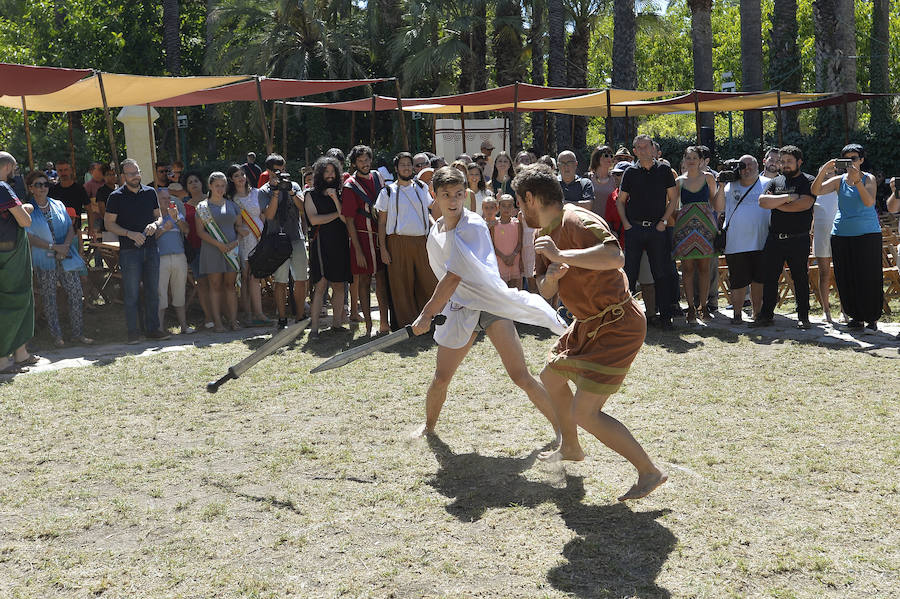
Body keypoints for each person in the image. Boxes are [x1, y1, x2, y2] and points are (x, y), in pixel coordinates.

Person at [516, 163, 667, 502]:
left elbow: (615, 257)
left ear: (529, 198)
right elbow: (544, 288)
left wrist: (562, 254)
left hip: (618, 325)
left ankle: (649, 471)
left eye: (519, 201)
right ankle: (571, 447)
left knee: (586, 413)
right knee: (551, 377)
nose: (519, 209)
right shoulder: (542, 235)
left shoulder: (578, 220)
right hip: (587, 324)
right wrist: (551, 277)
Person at [409, 166, 569, 444]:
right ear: (434, 195)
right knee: (441, 376)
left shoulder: (472, 225)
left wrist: (427, 313)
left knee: (520, 375)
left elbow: (454, 275)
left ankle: (563, 430)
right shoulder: (435, 230)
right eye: (446, 194)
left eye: (458, 194)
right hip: (461, 307)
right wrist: (435, 310)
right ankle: (429, 427)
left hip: (491, 303)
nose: (453, 200)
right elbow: (447, 275)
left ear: (465, 194)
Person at [810, 144, 882, 331]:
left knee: (868, 276)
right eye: (847, 159)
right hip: (841, 234)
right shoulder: (838, 181)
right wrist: (826, 168)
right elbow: (815, 190)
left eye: (854, 158)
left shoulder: (869, 178)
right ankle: (855, 317)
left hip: (867, 234)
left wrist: (857, 181)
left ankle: (871, 317)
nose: (851, 163)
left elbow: (869, 202)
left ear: (861, 160)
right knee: (846, 276)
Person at [104, 159, 170, 343]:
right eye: (131, 174)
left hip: (151, 248)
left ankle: (153, 329)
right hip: (129, 251)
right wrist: (129, 234)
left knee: (151, 290)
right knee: (132, 293)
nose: (135, 176)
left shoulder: (150, 193)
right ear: (123, 176)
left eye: (137, 172)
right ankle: (133, 332)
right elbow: (109, 223)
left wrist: (154, 225)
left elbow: (159, 217)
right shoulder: (116, 196)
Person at [24, 170, 93, 347]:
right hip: (44, 259)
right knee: (49, 297)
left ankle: (78, 334)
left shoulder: (58, 204)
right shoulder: (28, 209)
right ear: (31, 188)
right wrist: (53, 247)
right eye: (38, 185)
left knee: (76, 293)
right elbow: (29, 237)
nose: (43, 188)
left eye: (45, 184)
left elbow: (71, 227)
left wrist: (65, 246)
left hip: (65, 256)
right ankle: (57, 336)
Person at [616, 135, 678, 329]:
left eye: (646, 146)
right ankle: (625, 318)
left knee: (661, 272)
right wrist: (626, 224)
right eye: (638, 148)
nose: (643, 150)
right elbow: (621, 201)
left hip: (656, 229)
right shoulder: (630, 172)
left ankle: (665, 317)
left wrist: (663, 221)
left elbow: (673, 199)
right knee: (629, 274)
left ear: (653, 148)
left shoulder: (665, 170)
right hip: (634, 229)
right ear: (634, 151)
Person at [753, 145, 815, 330]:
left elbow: (804, 204)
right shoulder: (775, 181)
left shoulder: (808, 181)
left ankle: (803, 317)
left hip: (798, 238)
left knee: (800, 278)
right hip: (775, 239)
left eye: (789, 161)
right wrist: (789, 197)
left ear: (799, 162)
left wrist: (777, 202)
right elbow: (762, 201)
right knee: (770, 278)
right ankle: (766, 315)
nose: (785, 165)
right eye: (783, 161)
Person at [376, 152, 438, 328]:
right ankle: (406, 324)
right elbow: (381, 222)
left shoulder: (421, 187)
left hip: (421, 241)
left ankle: (431, 320)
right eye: (402, 164)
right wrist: (384, 249)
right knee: (401, 284)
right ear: (396, 168)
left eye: (409, 164)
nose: (406, 167)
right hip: (397, 242)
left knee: (428, 280)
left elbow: (431, 209)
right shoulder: (388, 191)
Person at [713, 155, 770, 324]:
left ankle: (757, 314)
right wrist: (721, 185)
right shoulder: (730, 185)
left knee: (758, 280)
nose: (747, 169)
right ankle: (737, 315)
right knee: (737, 281)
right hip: (735, 242)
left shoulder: (767, 183)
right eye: (743, 166)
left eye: (751, 165)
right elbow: (718, 207)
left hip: (761, 240)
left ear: (758, 165)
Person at [343, 145, 390, 336]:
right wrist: (358, 250)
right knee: (363, 281)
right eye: (360, 160)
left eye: (367, 159)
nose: (365, 163)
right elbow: (349, 220)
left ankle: (384, 323)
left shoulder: (378, 177)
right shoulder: (350, 186)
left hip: (380, 237)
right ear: (354, 163)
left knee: (382, 279)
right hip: (361, 238)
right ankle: (369, 325)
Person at [258, 154, 308, 330]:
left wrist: (292, 192)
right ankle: (282, 318)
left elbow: (303, 208)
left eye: (283, 169)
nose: (280, 173)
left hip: (296, 237)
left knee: (301, 279)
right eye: (276, 170)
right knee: (281, 281)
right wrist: (276, 193)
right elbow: (269, 216)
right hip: (276, 242)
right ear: (269, 171)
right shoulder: (263, 191)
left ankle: (300, 316)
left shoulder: (293, 185)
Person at [673, 146, 719, 324]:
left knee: (704, 268)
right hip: (685, 229)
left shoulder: (709, 178)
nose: (691, 160)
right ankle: (691, 308)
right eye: (688, 157)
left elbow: (714, 202)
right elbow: (674, 207)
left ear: (701, 160)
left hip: (706, 227)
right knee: (687, 269)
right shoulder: (679, 181)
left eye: (695, 157)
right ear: (684, 160)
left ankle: (704, 305)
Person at [306, 156, 352, 336]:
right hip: (321, 243)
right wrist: (335, 214)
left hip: (339, 242)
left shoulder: (340, 194)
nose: (330, 175)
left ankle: (337, 324)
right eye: (326, 171)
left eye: (333, 172)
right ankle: (315, 327)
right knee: (321, 285)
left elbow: (345, 219)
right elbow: (313, 219)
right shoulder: (311, 194)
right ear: (320, 173)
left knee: (339, 285)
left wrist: (334, 199)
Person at [0, 152, 37, 373]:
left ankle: (21, 353)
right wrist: (27, 209)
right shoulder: (3, 188)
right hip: (10, 253)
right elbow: (24, 220)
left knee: (20, 300)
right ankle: (4, 360)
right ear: (8, 167)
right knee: (14, 303)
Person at [196, 172, 242, 332]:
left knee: (230, 285)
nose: (220, 188)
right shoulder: (202, 207)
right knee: (214, 285)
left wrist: (236, 241)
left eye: (223, 185)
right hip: (212, 250)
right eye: (217, 186)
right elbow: (200, 232)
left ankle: (234, 321)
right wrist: (218, 244)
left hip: (231, 250)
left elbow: (239, 227)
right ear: (210, 186)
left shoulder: (232, 205)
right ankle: (218, 323)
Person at [226, 164, 268, 327]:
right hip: (244, 240)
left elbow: (263, 215)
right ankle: (247, 314)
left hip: (259, 236)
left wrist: (265, 236)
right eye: (236, 175)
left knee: (255, 276)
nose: (241, 178)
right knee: (245, 276)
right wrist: (237, 228)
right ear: (231, 179)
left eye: (242, 174)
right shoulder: (231, 199)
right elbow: (229, 221)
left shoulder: (257, 193)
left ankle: (259, 312)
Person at [155, 178, 193, 335]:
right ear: (157, 201)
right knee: (160, 294)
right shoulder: (153, 217)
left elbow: (187, 231)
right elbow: (150, 237)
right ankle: (159, 328)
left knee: (179, 292)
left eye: (168, 198)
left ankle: (184, 326)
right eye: (163, 198)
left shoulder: (175, 214)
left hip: (179, 256)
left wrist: (176, 218)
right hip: (160, 258)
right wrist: (164, 228)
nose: (167, 201)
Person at [181, 172, 214, 328]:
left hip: (214, 248)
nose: (193, 183)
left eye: (196, 180)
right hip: (195, 249)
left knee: (216, 283)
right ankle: (208, 317)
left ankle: (220, 315)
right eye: (190, 182)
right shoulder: (184, 206)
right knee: (202, 284)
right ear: (186, 187)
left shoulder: (213, 201)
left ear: (202, 183)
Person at [810, 163, 839, 323]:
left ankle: (844, 309)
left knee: (842, 273)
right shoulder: (815, 190)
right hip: (821, 236)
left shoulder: (841, 187)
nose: (829, 172)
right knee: (824, 273)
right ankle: (826, 310)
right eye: (825, 170)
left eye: (832, 170)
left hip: (839, 234)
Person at [492, 194, 523, 289]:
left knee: (515, 288)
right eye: (503, 205)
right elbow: (492, 245)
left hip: (515, 260)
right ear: (498, 207)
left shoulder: (517, 224)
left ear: (513, 207)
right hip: (500, 261)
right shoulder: (494, 224)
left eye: (509, 205)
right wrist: (504, 257)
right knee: (502, 289)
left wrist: (512, 256)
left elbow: (520, 243)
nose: (506, 208)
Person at [50, 159, 89, 230]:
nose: (63, 173)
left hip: (75, 230)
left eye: (65, 170)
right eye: (60, 170)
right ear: (57, 172)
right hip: (57, 230)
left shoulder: (79, 189)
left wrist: (91, 228)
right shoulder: (52, 190)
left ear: (70, 170)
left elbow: (89, 209)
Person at [587, 145, 618, 216]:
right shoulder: (587, 178)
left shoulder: (615, 178)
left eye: (611, 156)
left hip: (611, 224)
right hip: (592, 223)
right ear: (597, 158)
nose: (609, 158)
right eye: (606, 155)